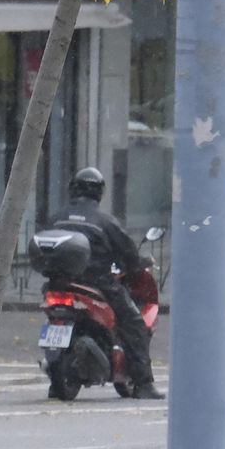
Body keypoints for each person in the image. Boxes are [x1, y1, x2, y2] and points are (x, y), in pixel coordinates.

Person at [49, 166, 164, 400]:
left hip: (58, 284)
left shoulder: (56, 218)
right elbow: (129, 254)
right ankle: (143, 383)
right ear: (99, 193)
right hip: (98, 283)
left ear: (73, 189)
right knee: (134, 323)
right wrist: (138, 262)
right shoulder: (105, 222)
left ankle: (55, 380)